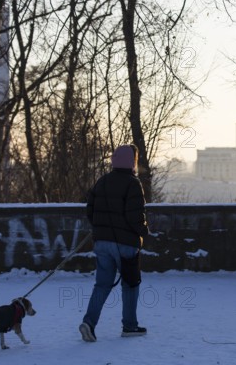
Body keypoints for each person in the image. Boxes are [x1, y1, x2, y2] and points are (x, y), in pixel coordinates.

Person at [79, 144, 149, 342]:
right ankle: (130, 326)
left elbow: (90, 209)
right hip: (125, 243)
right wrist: (144, 231)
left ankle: (89, 323)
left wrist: (100, 228)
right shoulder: (133, 183)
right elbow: (135, 216)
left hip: (102, 243)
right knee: (130, 284)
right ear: (132, 162)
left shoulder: (102, 181)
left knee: (102, 284)